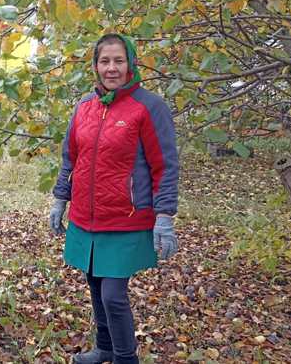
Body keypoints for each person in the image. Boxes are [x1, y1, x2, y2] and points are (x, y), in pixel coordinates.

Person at [49, 33, 179, 364]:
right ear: (95, 66)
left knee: (113, 295)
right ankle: (104, 347)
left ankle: (125, 357)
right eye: (104, 61)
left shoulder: (149, 107)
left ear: (130, 64)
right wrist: (60, 199)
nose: (111, 68)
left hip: (127, 218)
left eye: (118, 60)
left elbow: (164, 164)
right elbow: (70, 158)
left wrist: (164, 216)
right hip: (86, 217)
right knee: (94, 283)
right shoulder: (84, 107)